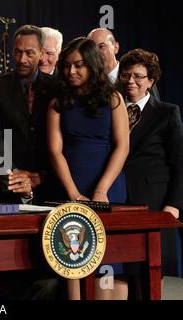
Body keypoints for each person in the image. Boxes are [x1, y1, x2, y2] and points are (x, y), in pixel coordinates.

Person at [47, 37, 129, 300]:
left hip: (108, 186)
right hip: (72, 186)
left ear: (93, 65)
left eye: (79, 65)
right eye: (67, 66)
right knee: (75, 259)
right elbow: (55, 150)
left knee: (111, 260)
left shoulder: (113, 98)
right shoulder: (57, 102)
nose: (72, 72)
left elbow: (122, 147)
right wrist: (72, 192)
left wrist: (102, 189)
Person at [117, 49, 183, 295]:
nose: (130, 81)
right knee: (121, 272)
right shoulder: (110, 110)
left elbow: (179, 162)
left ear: (151, 80)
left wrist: (174, 204)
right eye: (125, 76)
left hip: (153, 204)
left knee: (150, 275)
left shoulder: (167, 112)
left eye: (138, 76)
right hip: (117, 200)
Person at [0, 24, 57, 202]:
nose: (22, 59)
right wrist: (15, 173)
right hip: (8, 183)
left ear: (41, 53)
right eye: (17, 52)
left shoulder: (57, 86)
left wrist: (44, 174)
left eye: (29, 53)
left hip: (51, 183)